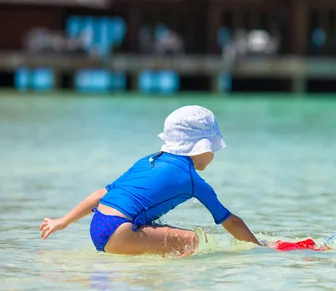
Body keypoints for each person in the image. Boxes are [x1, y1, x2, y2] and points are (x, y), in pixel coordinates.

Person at [39, 105, 262, 257]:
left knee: (167, 233)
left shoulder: (148, 161)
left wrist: (63, 221)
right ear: (202, 145)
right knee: (193, 240)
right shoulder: (192, 179)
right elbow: (230, 222)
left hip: (98, 225)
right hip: (120, 231)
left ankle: (139, 274)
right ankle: (161, 277)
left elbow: (101, 195)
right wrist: (258, 248)